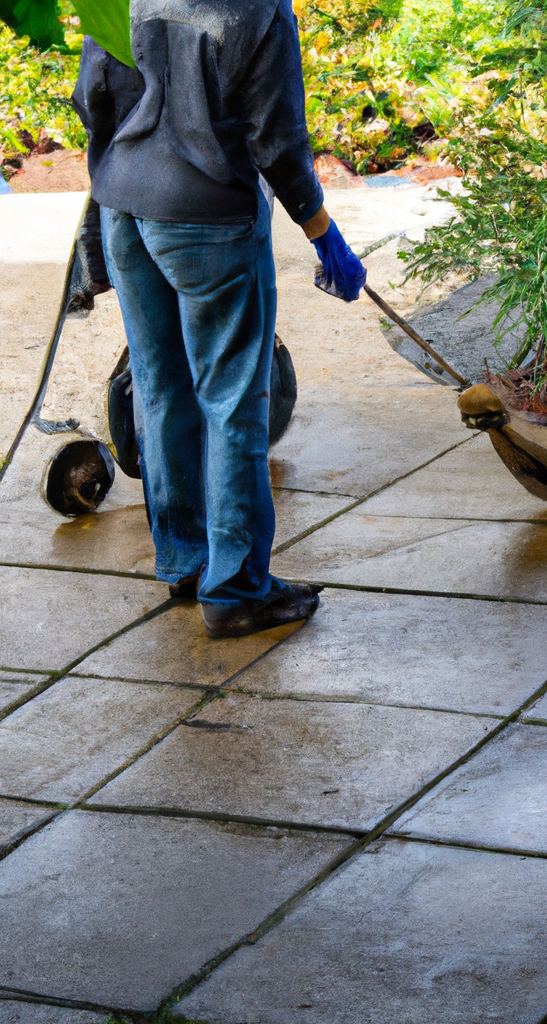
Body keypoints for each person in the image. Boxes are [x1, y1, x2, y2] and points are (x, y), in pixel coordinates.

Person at [72, 0, 366, 639]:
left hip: (126, 209)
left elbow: (93, 91)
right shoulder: (260, 6)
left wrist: (107, 195)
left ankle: (185, 559)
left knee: (162, 387)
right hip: (205, 215)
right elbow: (277, 135)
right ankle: (235, 589)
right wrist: (322, 231)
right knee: (233, 400)